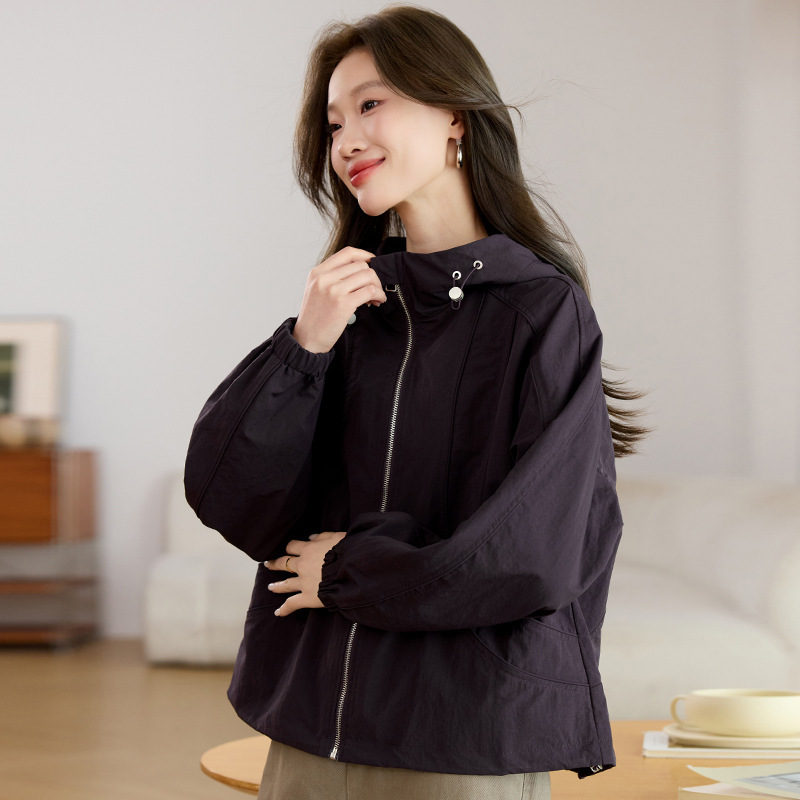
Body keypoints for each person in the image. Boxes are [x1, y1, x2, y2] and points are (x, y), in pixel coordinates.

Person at [184, 6, 648, 800]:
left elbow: (535, 552)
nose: (346, 141)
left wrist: (350, 572)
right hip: (311, 722)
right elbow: (230, 496)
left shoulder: (541, 312)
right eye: (334, 124)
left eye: (372, 104)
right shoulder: (345, 311)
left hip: (459, 733)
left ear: (455, 116)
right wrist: (304, 345)